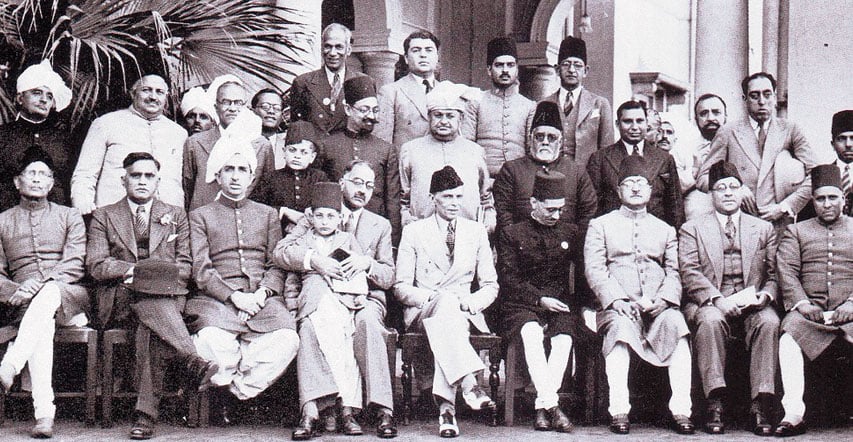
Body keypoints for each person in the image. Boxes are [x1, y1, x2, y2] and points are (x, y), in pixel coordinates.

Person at [87, 152, 218, 440]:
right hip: (121, 296)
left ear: (158, 180)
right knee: (151, 304)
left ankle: (145, 415)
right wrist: (138, 272)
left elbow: (185, 266)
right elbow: (97, 265)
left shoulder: (176, 215)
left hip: (167, 299)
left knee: (150, 321)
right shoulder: (104, 215)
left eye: (149, 176)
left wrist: (155, 279)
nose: (143, 181)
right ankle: (191, 359)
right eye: (136, 175)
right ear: (124, 180)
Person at [276, 161, 397, 439]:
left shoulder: (379, 225)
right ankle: (318, 408)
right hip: (321, 296)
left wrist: (367, 263)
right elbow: (282, 252)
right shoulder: (315, 216)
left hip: (363, 298)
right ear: (342, 182)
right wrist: (314, 260)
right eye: (357, 182)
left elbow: (389, 275)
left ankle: (382, 410)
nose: (362, 190)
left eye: (369, 185)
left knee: (365, 321)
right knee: (308, 327)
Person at [185, 141, 298, 424]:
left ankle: (237, 394)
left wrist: (261, 294)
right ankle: (224, 387)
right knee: (211, 340)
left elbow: (276, 263)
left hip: (263, 297)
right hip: (216, 299)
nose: (235, 176)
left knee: (287, 338)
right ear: (218, 176)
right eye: (229, 170)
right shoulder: (200, 215)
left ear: (251, 175)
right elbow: (201, 269)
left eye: (242, 170)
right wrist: (234, 297)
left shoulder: (268, 214)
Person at [584, 155, 694, 435]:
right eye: (629, 183)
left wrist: (666, 299)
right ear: (619, 190)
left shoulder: (666, 230)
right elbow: (595, 269)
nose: (635, 188)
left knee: (678, 326)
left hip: (658, 308)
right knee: (620, 331)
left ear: (650, 190)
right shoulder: (601, 225)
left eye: (641, 183)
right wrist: (617, 300)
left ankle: (682, 409)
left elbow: (674, 271)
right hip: (618, 308)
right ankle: (619, 410)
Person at [395, 166, 498, 438]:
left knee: (449, 314)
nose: (454, 203)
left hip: (463, 311)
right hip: (424, 306)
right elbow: (401, 286)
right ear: (433, 198)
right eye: (448, 197)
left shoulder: (476, 232)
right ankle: (469, 383)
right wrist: (432, 297)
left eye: (459, 197)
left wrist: (472, 303)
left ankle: (446, 411)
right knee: (445, 305)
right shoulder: (414, 231)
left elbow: (490, 285)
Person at [678, 160, 780, 435]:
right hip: (710, 301)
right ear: (711, 194)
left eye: (733, 187)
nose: (727, 193)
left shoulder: (762, 228)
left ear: (742, 190)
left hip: (751, 302)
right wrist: (717, 299)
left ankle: (761, 403)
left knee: (769, 321)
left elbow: (773, 273)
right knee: (710, 320)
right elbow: (689, 272)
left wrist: (765, 296)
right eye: (720, 188)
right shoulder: (693, 228)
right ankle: (715, 401)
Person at [0, 146, 89, 438]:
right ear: (17, 182)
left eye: (44, 175)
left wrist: (37, 285)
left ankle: (11, 363)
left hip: (70, 295)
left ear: (52, 183)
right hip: (23, 301)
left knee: (49, 292)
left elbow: (75, 263)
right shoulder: (2, 220)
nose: (37, 180)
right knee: (43, 323)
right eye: (31, 173)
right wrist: (15, 288)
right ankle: (44, 415)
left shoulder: (69, 216)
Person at [497, 170, 580, 433]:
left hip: (558, 304)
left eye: (561, 210)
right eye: (550, 209)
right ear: (534, 203)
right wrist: (539, 299)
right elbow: (508, 279)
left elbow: (580, 275)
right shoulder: (512, 233)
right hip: (521, 305)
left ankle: (542, 408)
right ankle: (552, 407)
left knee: (564, 338)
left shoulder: (571, 232)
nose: (556, 216)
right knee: (531, 333)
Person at [774, 164, 853, 437]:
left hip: (851, 311)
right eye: (820, 198)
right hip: (809, 312)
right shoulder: (797, 231)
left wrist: (851, 304)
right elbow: (786, 271)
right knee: (788, 337)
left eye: (833, 197)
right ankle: (793, 413)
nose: (827, 204)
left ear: (844, 199)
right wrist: (803, 304)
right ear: (812, 201)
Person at [696, 72, 824, 229]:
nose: (762, 101)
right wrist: (734, 188)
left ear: (775, 97)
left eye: (767, 94)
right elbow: (703, 178)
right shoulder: (728, 132)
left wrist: (786, 206)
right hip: (740, 224)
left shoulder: (790, 130)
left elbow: (818, 174)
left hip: (781, 224)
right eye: (754, 96)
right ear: (745, 99)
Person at [71, 74, 186, 214]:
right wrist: (84, 206)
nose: (153, 97)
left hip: (166, 217)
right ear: (133, 93)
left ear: (166, 98)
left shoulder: (179, 133)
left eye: (159, 92)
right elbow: (85, 173)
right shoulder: (106, 123)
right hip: (114, 216)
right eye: (146, 90)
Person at [398, 83, 494, 231]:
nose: (443, 121)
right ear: (429, 117)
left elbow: (485, 196)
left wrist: (489, 216)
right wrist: (405, 216)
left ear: (461, 118)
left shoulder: (475, 151)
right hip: (422, 231)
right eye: (438, 115)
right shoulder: (411, 150)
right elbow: (403, 196)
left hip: (468, 233)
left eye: (450, 116)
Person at [317, 75, 401, 241]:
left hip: (373, 233)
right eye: (364, 110)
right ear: (348, 109)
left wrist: (393, 242)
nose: (371, 116)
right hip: (331, 232)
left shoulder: (386, 149)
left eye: (375, 110)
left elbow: (392, 201)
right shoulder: (326, 145)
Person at [493, 101, 596, 234]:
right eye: (539, 137)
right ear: (531, 139)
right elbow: (503, 213)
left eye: (551, 137)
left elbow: (588, 212)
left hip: (567, 247)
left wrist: (576, 244)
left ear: (560, 142)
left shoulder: (576, 172)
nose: (545, 142)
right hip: (522, 246)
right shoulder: (512, 170)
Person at [586, 100, 684, 229]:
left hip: (654, 235)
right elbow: (592, 207)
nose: (634, 127)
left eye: (639, 121)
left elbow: (675, 206)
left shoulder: (665, 159)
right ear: (617, 124)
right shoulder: (600, 158)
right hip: (614, 233)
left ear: (646, 123)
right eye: (628, 121)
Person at [182, 76, 275, 211]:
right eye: (226, 102)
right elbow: (188, 188)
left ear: (245, 106)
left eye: (238, 103)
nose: (232, 108)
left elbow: (268, 190)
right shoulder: (195, 142)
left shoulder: (262, 145)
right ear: (216, 106)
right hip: (204, 220)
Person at [0, 59, 74, 210]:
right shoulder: (3, 135)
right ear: (20, 98)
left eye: (49, 96)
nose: (43, 100)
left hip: (54, 222)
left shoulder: (64, 140)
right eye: (37, 93)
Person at [536, 36, 614, 169]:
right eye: (566, 64)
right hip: (551, 177)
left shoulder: (600, 104)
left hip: (587, 179)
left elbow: (607, 151)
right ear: (557, 69)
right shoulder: (544, 104)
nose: (572, 70)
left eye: (577, 65)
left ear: (585, 71)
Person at [462, 37, 535, 178]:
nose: (505, 70)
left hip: (518, 180)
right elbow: (467, 145)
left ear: (517, 70)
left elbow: (531, 149)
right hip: (482, 177)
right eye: (499, 65)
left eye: (510, 65)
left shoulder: (529, 106)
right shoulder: (476, 102)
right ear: (489, 70)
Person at [376, 31, 460, 148]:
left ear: (437, 57)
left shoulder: (448, 91)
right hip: (406, 163)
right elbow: (382, 143)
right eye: (416, 50)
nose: (423, 55)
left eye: (429, 50)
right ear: (406, 58)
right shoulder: (391, 92)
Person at [290, 23, 367, 135]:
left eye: (339, 47)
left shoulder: (362, 82)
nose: (332, 53)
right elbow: (297, 130)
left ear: (349, 50)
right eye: (328, 46)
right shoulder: (303, 82)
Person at [254, 121, 329, 233]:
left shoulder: (320, 178)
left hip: (311, 234)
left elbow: (327, 209)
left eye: (304, 152)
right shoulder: (271, 177)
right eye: (292, 150)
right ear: (284, 152)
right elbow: (256, 208)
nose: (297, 156)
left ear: (312, 157)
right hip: (277, 233)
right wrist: (283, 211)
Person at [673, 94, 727, 220]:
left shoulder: (737, 146)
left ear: (725, 116)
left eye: (716, 112)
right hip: (696, 222)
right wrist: (695, 171)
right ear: (695, 119)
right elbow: (673, 189)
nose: (710, 118)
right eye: (704, 113)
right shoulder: (682, 148)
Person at [829, 110, 853, 216]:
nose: (848, 144)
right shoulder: (822, 175)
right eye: (841, 139)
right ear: (833, 144)